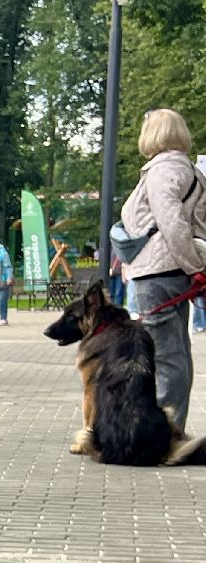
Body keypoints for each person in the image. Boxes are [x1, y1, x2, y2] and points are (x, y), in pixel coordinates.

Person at [119, 107, 206, 429]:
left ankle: (164, 433)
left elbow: (172, 223)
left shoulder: (162, 171)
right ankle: (172, 426)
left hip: (158, 272)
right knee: (177, 352)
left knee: (166, 356)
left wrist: (193, 265)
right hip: (174, 272)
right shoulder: (190, 171)